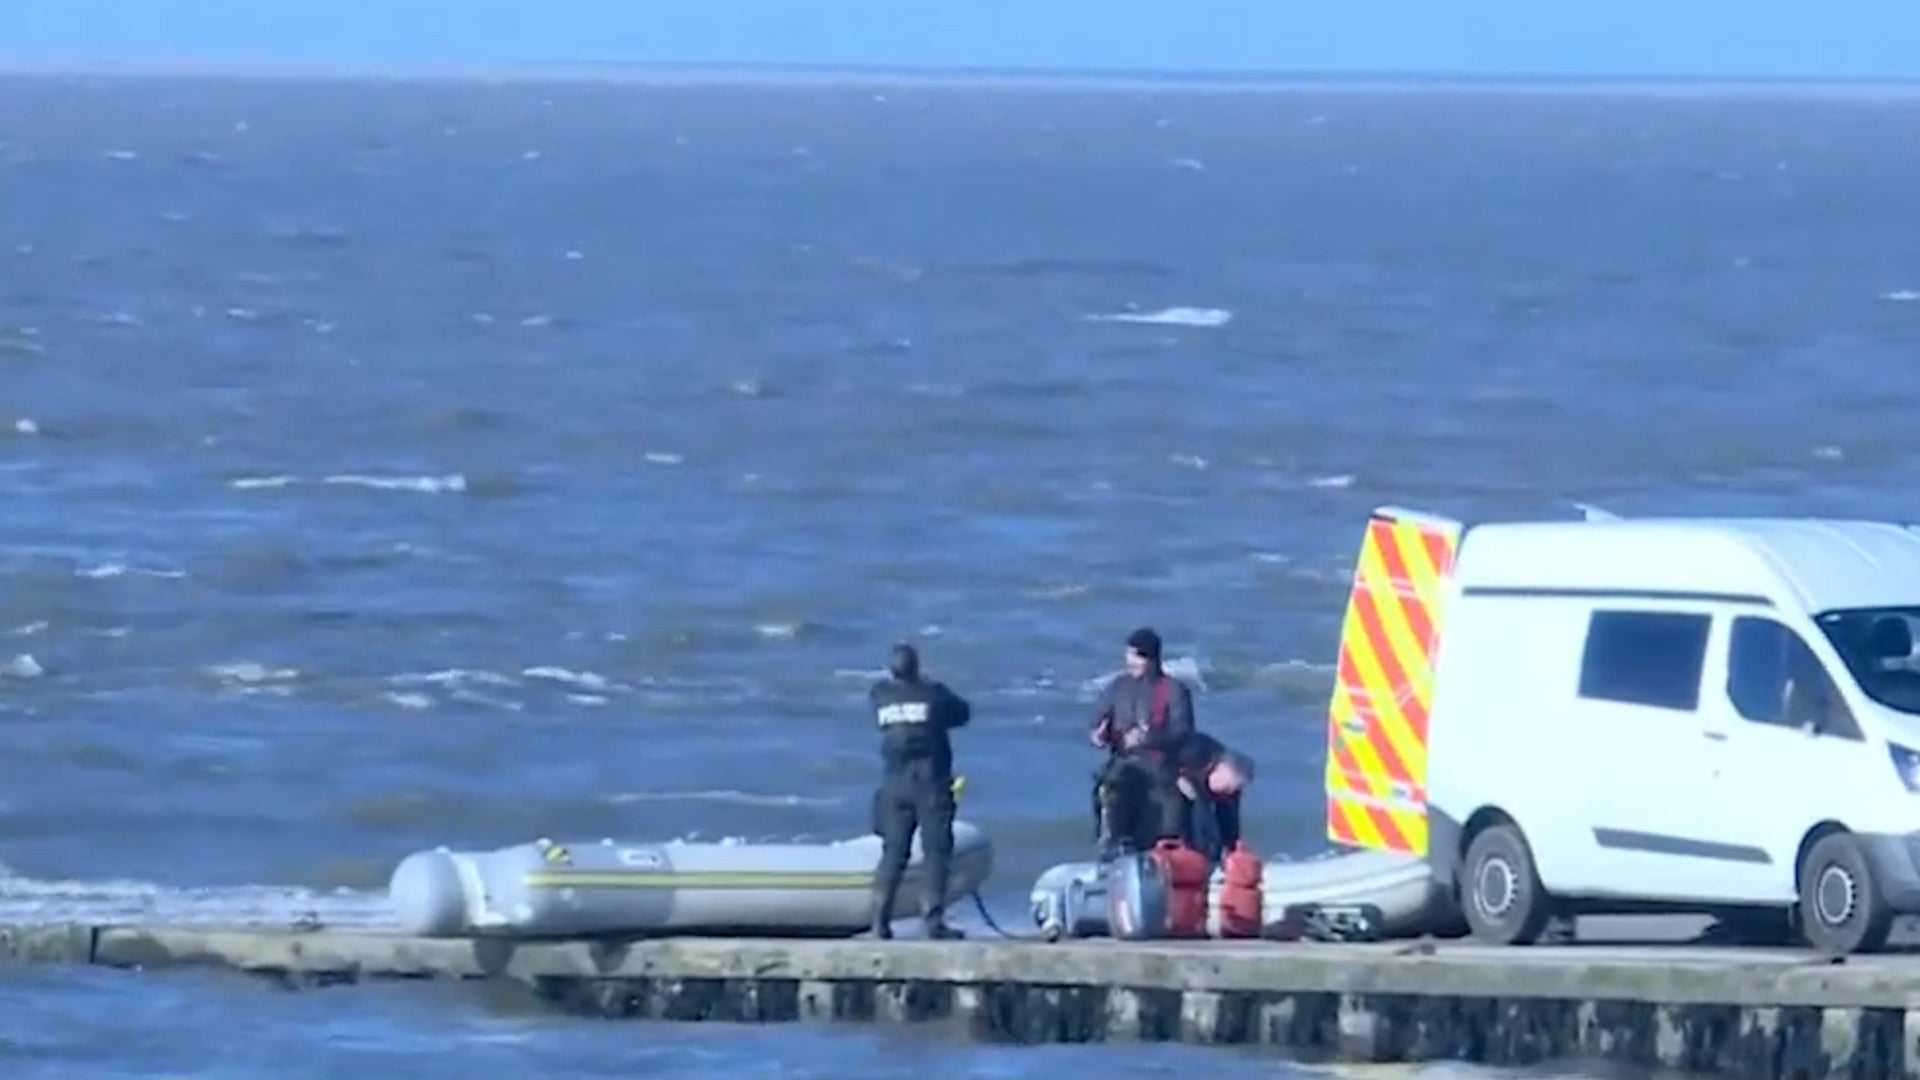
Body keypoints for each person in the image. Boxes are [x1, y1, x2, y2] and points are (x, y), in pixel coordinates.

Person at [868, 642, 970, 940]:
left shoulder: (880, 696)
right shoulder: (933, 695)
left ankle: (879, 920)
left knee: (894, 852)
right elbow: (962, 713)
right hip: (930, 782)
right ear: (917, 667)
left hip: (893, 783)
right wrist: (929, 684)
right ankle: (933, 920)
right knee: (936, 851)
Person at [1088, 627, 1195, 856]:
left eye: (1136, 656)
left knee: (1168, 815)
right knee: (1108, 788)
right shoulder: (1118, 686)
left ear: (1152, 659)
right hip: (1123, 764)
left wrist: (1148, 738)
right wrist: (1099, 733)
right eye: (1128, 655)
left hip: (1160, 765)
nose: (1130, 661)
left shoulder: (1174, 690)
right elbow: (1098, 718)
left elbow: (1183, 732)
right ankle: (1110, 846)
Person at [1168, 731, 1254, 862]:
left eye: (1232, 790)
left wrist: (1232, 849)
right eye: (1226, 787)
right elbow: (1165, 755)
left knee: (1218, 817)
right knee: (1195, 813)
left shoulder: (1232, 792)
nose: (1227, 792)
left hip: (1201, 787)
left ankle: (1212, 859)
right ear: (1221, 768)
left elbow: (1231, 823)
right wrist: (1176, 777)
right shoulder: (1196, 752)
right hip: (1180, 777)